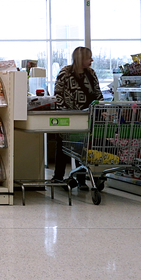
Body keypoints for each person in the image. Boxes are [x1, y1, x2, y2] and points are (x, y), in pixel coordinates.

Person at [51, 46, 103, 185]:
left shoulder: (91, 73)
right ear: (81, 59)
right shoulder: (65, 73)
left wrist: (101, 107)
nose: (91, 60)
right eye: (88, 58)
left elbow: (97, 92)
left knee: (83, 146)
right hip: (69, 116)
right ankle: (58, 177)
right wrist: (66, 111)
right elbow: (58, 94)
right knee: (64, 145)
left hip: (88, 116)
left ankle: (81, 179)